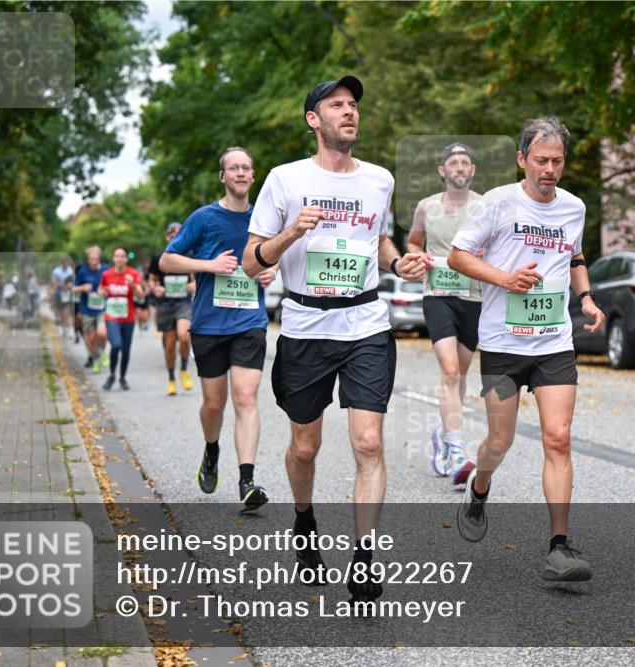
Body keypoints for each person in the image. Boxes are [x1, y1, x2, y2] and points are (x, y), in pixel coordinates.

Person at [243, 75, 428, 603]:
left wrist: (399, 262)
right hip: (305, 327)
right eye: (337, 105)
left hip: (366, 323)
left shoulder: (379, 180)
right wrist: (292, 233)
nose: (349, 112)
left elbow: (380, 239)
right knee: (305, 445)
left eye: (353, 105)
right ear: (313, 119)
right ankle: (304, 525)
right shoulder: (283, 179)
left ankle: (365, 558)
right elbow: (256, 258)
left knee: (368, 442)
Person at [447, 116, 606, 581]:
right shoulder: (498, 204)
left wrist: (587, 298)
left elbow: (573, 255)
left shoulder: (573, 207)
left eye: (557, 160)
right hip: (500, 344)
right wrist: (505, 278)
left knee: (558, 438)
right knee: (500, 440)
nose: (550, 169)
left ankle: (559, 545)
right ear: (522, 160)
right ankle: (480, 487)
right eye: (541, 160)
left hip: (554, 341)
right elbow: (459, 255)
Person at [160, 147, 275, 514]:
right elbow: (166, 260)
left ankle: (246, 480)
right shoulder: (203, 218)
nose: (240, 173)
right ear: (222, 176)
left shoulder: (265, 220)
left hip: (249, 323)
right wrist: (207, 265)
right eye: (233, 168)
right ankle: (211, 449)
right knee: (214, 403)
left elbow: (279, 257)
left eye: (246, 167)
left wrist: (272, 272)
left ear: (253, 176)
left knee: (245, 398)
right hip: (209, 323)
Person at [407, 142, 483, 487]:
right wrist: (418, 256)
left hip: (474, 295)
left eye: (465, 162)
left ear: (473, 170)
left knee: (461, 372)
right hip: (437, 293)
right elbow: (412, 242)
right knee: (450, 371)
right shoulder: (426, 207)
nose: (459, 167)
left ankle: (443, 432)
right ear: (442, 170)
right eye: (453, 162)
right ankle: (455, 450)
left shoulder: (486, 207)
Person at [150, 222, 196, 396]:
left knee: (184, 335)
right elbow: (152, 280)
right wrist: (156, 288)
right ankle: (171, 378)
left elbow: (195, 278)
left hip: (184, 302)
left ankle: (184, 368)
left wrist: (193, 285)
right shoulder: (159, 256)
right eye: (171, 234)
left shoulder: (189, 254)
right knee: (169, 344)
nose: (174, 237)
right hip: (166, 304)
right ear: (167, 237)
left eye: (178, 234)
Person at [97, 248, 144, 390]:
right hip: (111, 317)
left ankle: (122, 377)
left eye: (122, 256)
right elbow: (100, 290)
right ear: (113, 259)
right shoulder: (106, 274)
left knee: (125, 349)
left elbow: (141, 295)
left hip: (128, 317)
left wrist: (133, 285)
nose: (119, 259)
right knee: (116, 345)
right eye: (117, 256)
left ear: (126, 259)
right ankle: (112, 375)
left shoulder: (133, 274)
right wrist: (102, 292)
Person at [73, 246, 109, 373]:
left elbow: (112, 284)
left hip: (102, 308)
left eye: (96, 258)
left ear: (99, 258)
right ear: (88, 259)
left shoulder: (105, 269)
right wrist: (83, 287)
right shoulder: (83, 271)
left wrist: (106, 291)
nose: (94, 261)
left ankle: (102, 351)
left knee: (102, 333)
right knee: (91, 338)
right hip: (87, 309)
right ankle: (96, 358)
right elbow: (73, 288)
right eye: (91, 259)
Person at [50, 257, 74, 335]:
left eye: (67, 263)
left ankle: (67, 327)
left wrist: (69, 285)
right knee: (60, 311)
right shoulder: (56, 271)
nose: (65, 264)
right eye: (64, 263)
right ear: (62, 263)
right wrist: (60, 286)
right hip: (58, 292)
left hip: (67, 292)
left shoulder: (70, 270)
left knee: (67, 311)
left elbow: (73, 280)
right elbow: (53, 283)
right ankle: (62, 326)